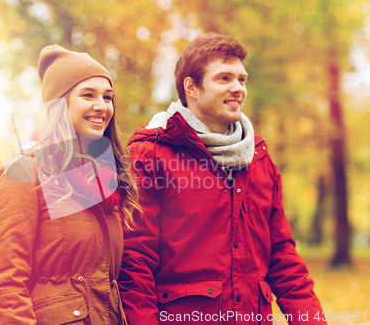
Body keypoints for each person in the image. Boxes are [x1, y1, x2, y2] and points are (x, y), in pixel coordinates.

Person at [118, 33, 326, 324]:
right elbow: (134, 260)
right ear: (191, 87)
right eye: (224, 78)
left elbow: (282, 256)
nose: (237, 88)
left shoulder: (258, 158)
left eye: (242, 79)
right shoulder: (150, 154)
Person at [0, 45, 140, 325]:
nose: (102, 106)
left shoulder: (106, 180)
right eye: (88, 95)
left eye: (108, 97)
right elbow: (5, 287)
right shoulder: (24, 173)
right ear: (59, 104)